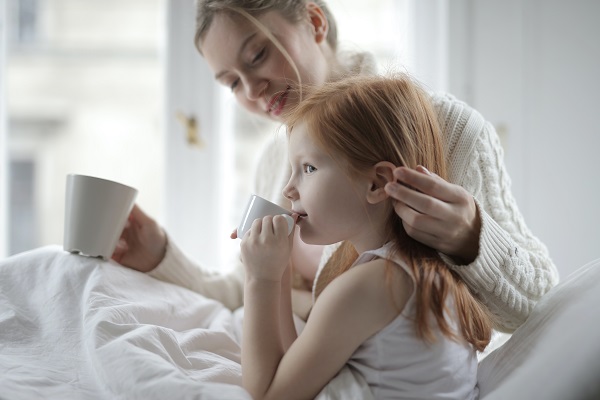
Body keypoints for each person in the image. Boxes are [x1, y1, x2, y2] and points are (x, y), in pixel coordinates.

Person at [112, 0, 558, 333]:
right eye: (231, 82)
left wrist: (471, 238)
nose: (251, 89)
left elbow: (540, 307)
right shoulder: (275, 162)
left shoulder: (447, 128)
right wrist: (160, 256)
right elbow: (244, 290)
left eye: (257, 56)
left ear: (315, 21)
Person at [240, 73, 493, 400]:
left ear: (376, 184)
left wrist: (259, 279)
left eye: (308, 168)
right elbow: (299, 369)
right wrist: (280, 268)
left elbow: (267, 395)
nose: (289, 189)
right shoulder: (420, 270)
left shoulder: (366, 286)